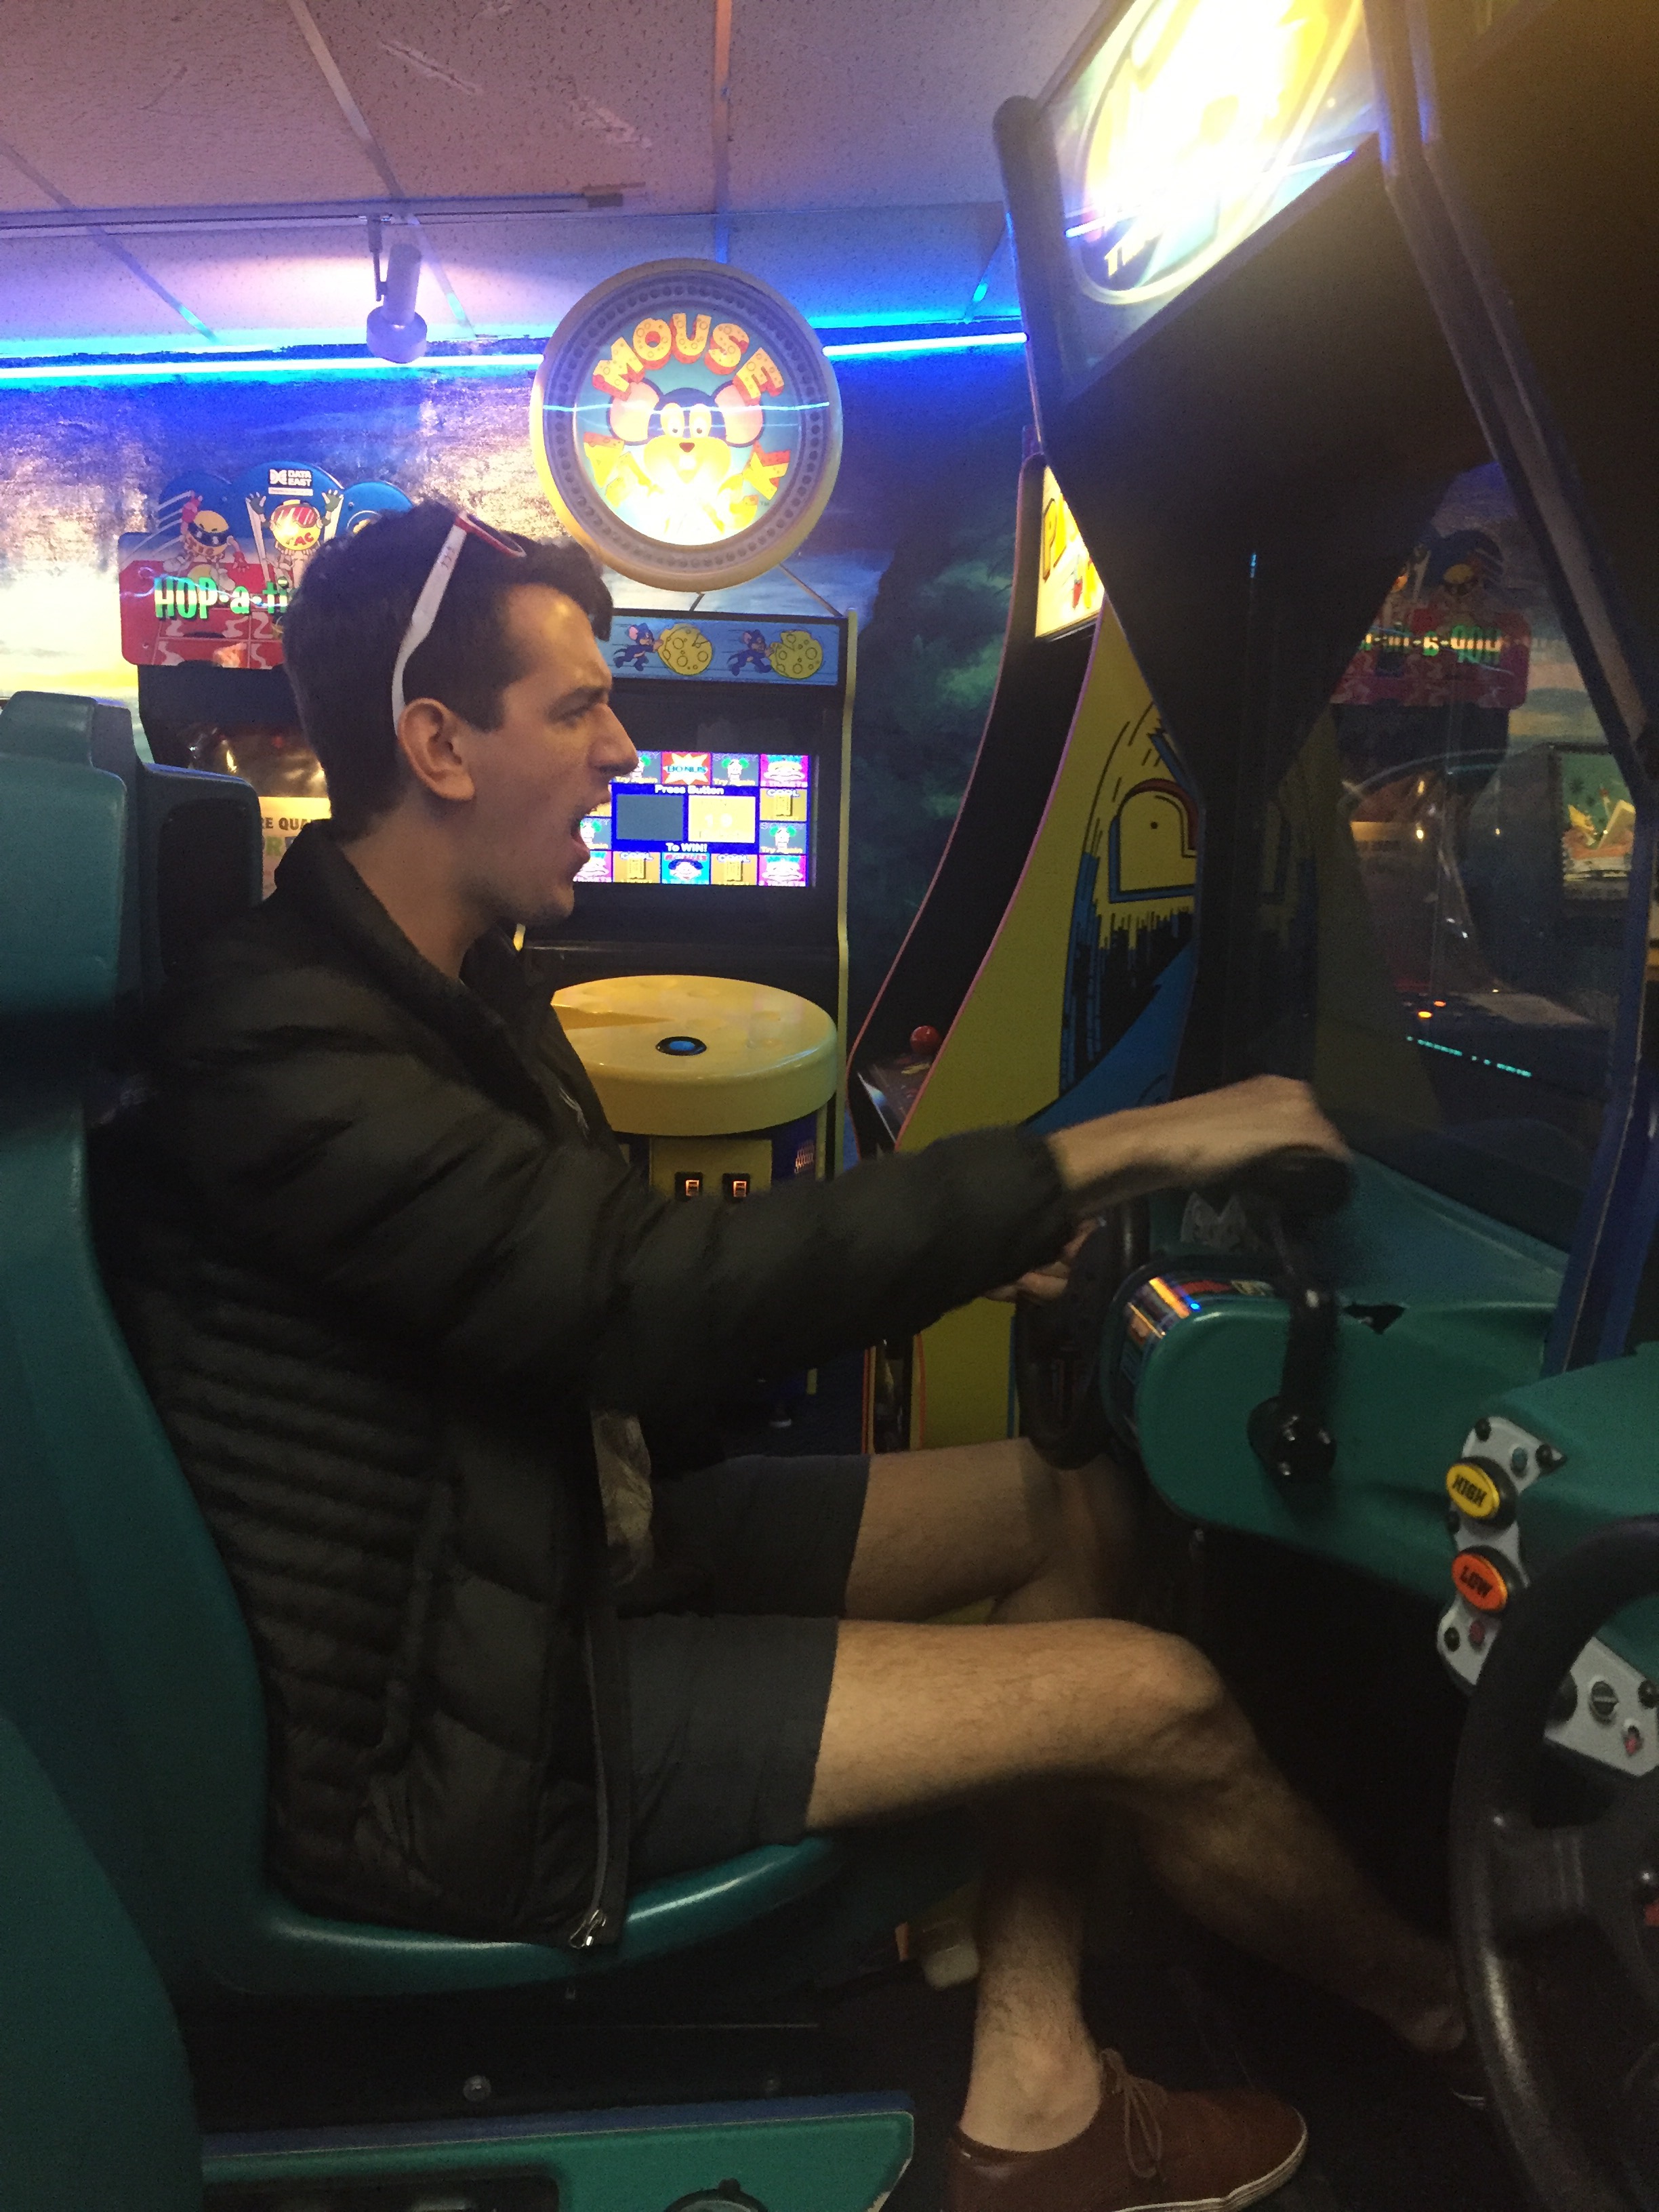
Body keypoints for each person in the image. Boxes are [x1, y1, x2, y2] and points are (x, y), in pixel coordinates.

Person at [94, 503, 1470, 2212]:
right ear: (437, 745)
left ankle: (1034, 2080)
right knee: (1162, 1703)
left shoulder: (443, 992)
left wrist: (967, 1245)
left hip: (554, 1554)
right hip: (458, 1746)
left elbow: (609, 1325)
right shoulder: (280, 1039)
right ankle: (1459, 2025)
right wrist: (1101, 1152)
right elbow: (636, 1292)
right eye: (579, 707)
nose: (626, 750)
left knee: (1071, 1505)